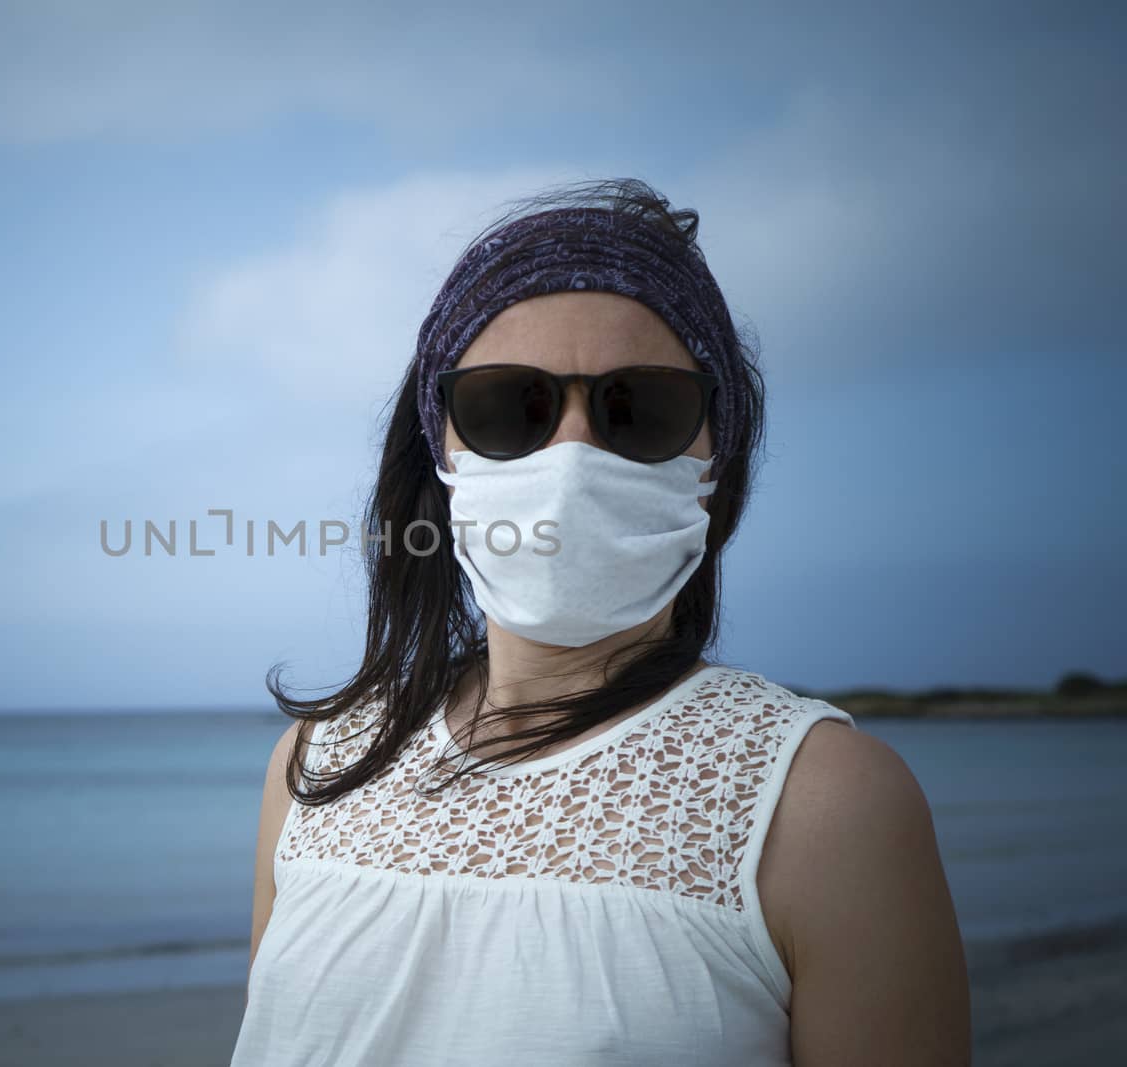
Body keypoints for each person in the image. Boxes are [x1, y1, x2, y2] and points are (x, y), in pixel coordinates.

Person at [229, 178, 970, 1065]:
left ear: (714, 461)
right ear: (442, 450)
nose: (573, 453)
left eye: (638, 409)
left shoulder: (827, 803)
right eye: (512, 407)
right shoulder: (320, 761)